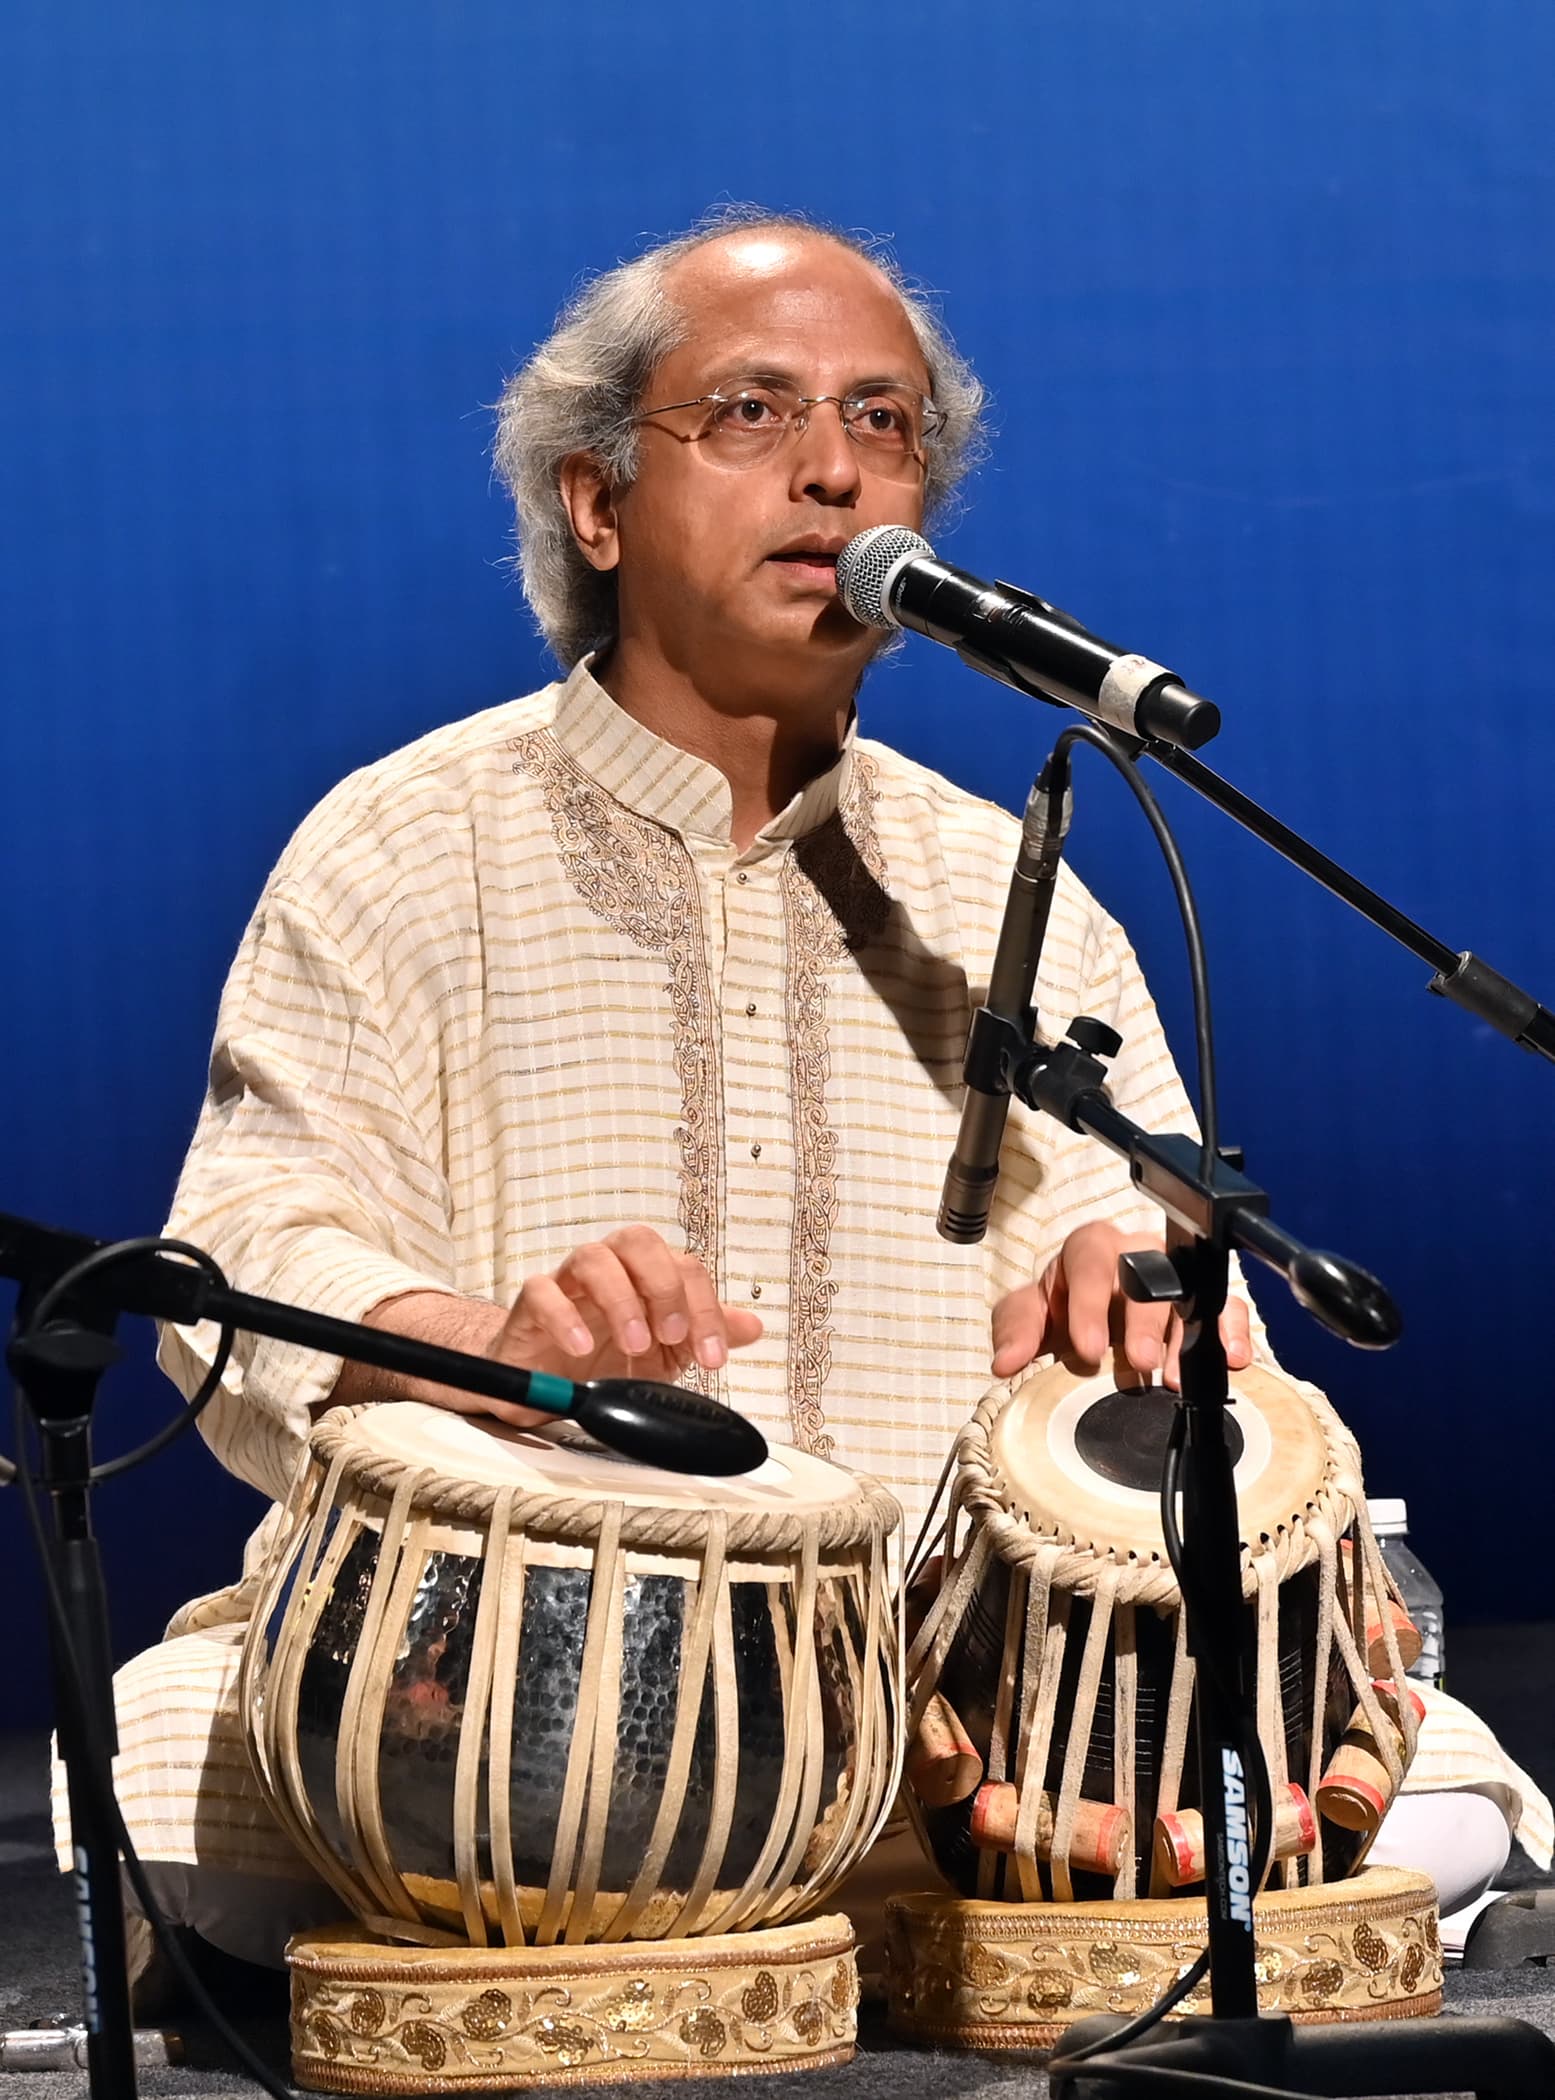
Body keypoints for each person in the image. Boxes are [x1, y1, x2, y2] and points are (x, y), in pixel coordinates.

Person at [57, 207, 1548, 1991]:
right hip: (531, 1701)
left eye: (884, 422)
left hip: (969, 1713)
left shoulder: (1014, 886)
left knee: (1446, 1791)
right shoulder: (402, 849)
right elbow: (246, 1248)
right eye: (754, 414)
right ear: (597, 504)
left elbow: (1141, 1244)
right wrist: (485, 1342)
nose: (836, 473)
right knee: (158, 1786)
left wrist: (1150, 1309)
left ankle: (934, 1873)